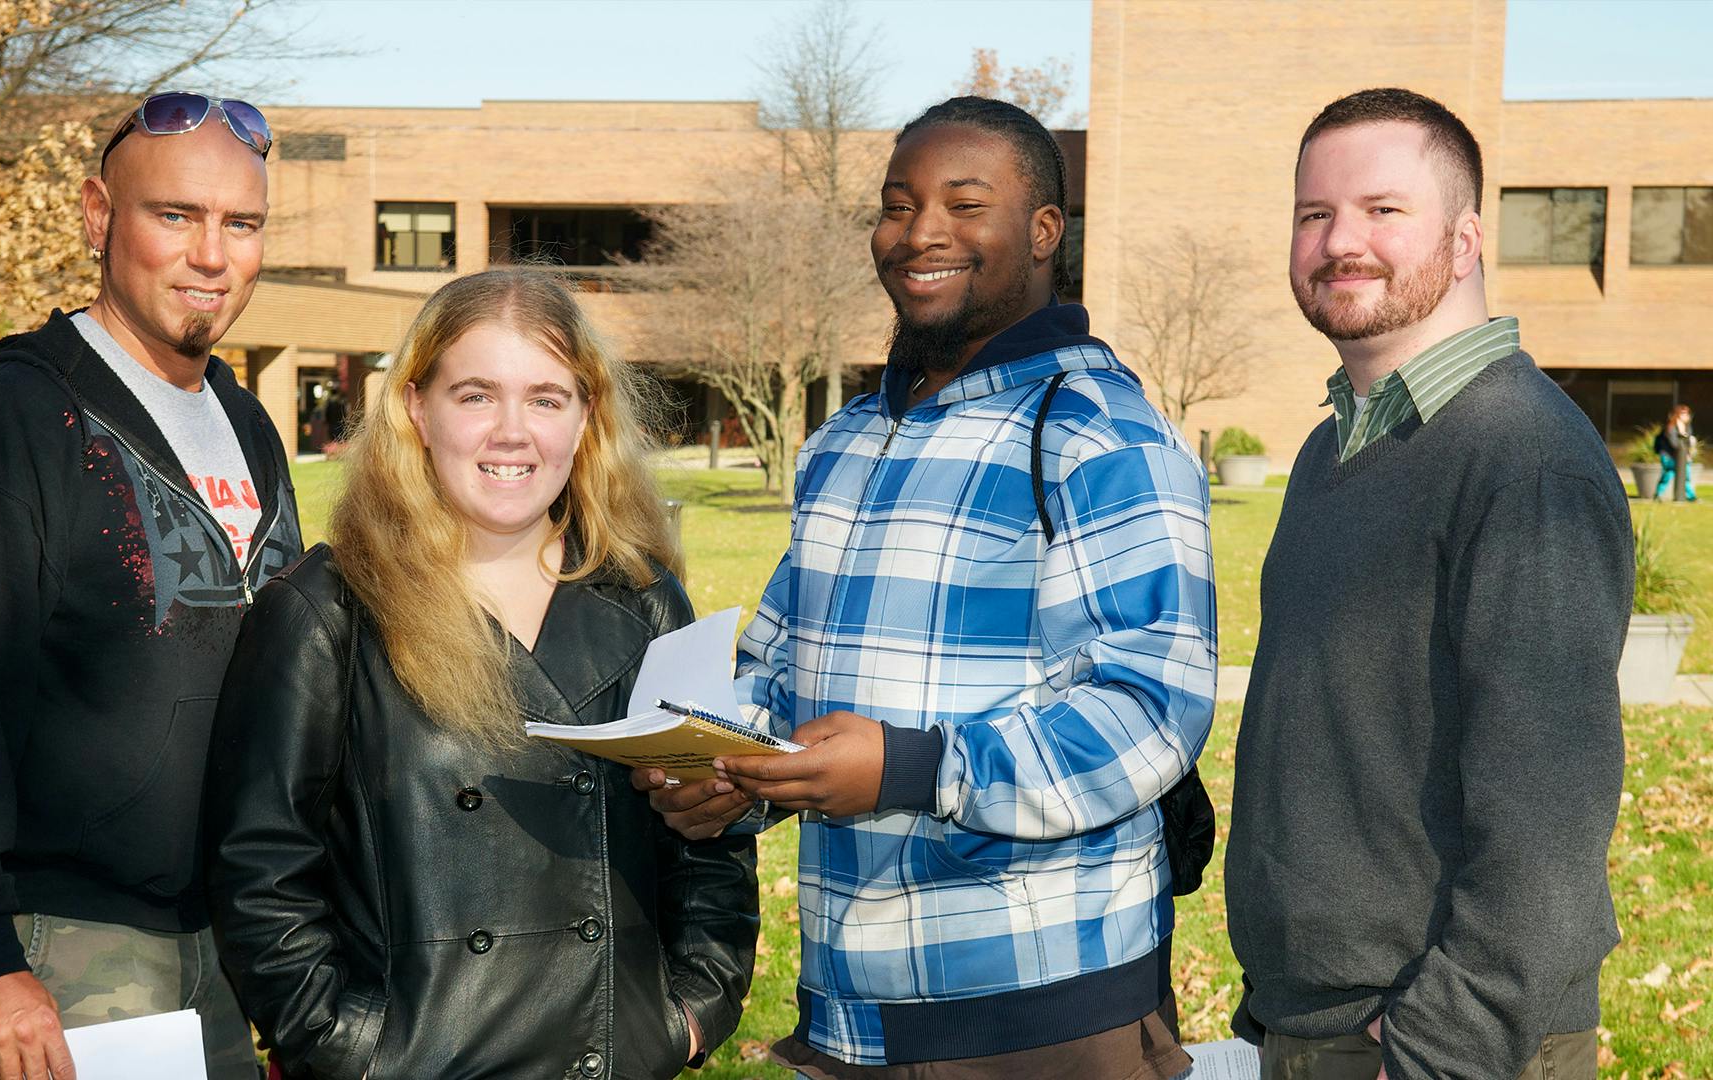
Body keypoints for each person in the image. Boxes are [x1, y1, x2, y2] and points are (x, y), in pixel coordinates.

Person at [637, 96, 1217, 1079]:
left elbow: (1150, 713)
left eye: (964, 203)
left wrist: (916, 770)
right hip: (852, 1010)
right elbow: (781, 674)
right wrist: (726, 774)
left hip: (1040, 1018)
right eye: (897, 205)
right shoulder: (846, 442)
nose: (921, 233)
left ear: (1043, 232)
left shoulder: (1097, 435)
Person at [202, 269, 760, 1079]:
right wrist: (345, 1046)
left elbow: (712, 838)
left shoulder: (644, 602)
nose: (512, 432)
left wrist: (692, 1012)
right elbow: (259, 872)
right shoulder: (328, 612)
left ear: (586, 418)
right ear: (417, 409)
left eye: (545, 397)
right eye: (475, 395)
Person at [0, 92, 300, 1080]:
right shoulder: (7, 423)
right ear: (100, 217)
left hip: (214, 943)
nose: (212, 255)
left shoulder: (246, 423)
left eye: (242, 223)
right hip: (47, 949)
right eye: (175, 215)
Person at [1225, 87, 1633, 1080]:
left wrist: (1446, 1041)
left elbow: (1551, 811)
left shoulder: (1524, 458)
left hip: (1443, 1044)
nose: (1339, 242)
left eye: (1382, 211)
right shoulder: (1332, 450)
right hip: (1316, 1023)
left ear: (1464, 241)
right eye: (1313, 215)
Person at [1655, 403, 1696, 501]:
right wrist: (1681, 433)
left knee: (1684, 474)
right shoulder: (1670, 427)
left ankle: (1690, 496)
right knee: (1669, 473)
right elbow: (1675, 444)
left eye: (1687, 413)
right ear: (1677, 414)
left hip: (1681, 456)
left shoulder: (1687, 427)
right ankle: (1658, 495)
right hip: (1669, 455)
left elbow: (1688, 442)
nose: (1686, 416)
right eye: (1683, 413)